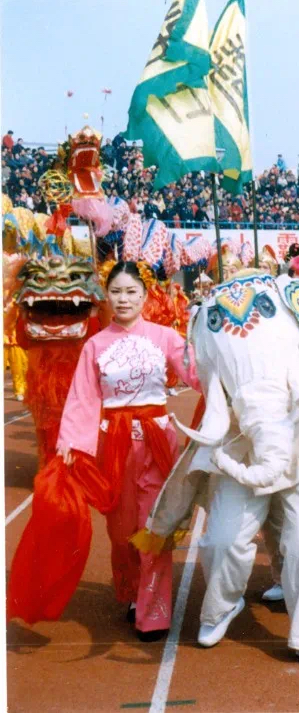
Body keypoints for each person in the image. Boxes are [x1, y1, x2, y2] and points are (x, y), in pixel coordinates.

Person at [10, 261, 200, 640]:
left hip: (157, 443)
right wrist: (70, 444)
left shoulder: (166, 337)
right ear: (106, 297)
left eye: (131, 292)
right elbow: (83, 398)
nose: (124, 299)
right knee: (122, 530)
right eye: (116, 292)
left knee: (154, 526)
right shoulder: (95, 345)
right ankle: (132, 591)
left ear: (144, 297)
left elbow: (198, 373)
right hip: (114, 445)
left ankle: (153, 612)